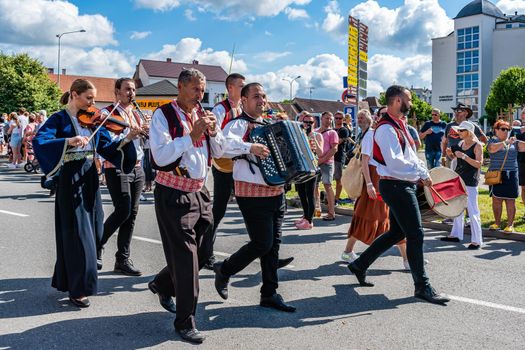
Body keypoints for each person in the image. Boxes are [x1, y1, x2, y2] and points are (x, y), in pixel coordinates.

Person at [32, 79, 138, 308]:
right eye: (89, 98)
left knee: (95, 227)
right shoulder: (59, 119)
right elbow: (39, 142)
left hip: (89, 177)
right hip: (70, 179)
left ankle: (72, 277)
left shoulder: (92, 122)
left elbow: (108, 149)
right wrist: (68, 141)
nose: (93, 104)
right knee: (78, 234)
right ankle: (78, 289)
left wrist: (128, 138)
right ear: (74, 95)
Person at [347, 85, 450, 305]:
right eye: (408, 99)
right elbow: (394, 164)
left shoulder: (398, 126)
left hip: (403, 184)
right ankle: (422, 286)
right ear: (396, 101)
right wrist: (421, 173)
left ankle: (360, 264)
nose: (411, 103)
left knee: (396, 232)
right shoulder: (385, 129)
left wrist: (422, 171)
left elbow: (411, 156)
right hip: (396, 185)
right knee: (416, 234)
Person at [148, 69, 223, 344]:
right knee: (185, 259)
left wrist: (213, 133)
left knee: (203, 253)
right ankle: (185, 321)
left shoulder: (201, 115)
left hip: (200, 192)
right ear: (180, 87)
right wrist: (191, 135)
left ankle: (162, 283)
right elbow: (160, 155)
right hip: (174, 193)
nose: (200, 96)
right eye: (195, 90)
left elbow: (221, 151)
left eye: (202, 91)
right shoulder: (163, 115)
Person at [213, 82, 297, 314]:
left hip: (276, 191)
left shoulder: (269, 125)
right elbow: (222, 148)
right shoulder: (237, 124)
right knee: (262, 243)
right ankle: (225, 269)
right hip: (251, 192)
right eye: (256, 96)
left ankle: (269, 293)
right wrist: (250, 147)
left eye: (263, 96)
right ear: (244, 101)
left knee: (273, 246)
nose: (261, 100)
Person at [341, 109, 410, 269]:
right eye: (382, 114)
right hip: (373, 179)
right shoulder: (371, 134)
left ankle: (407, 259)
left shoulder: (392, 133)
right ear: (377, 117)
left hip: (387, 179)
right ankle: (348, 251)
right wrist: (370, 184)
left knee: (390, 219)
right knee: (367, 216)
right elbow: (365, 161)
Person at [97, 78, 147, 275]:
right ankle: (97, 244)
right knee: (123, 210)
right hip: (116, 166)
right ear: (117, 91)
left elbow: (142, 144)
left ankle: (122, 259)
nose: (131, 93)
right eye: (127, 89)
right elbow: (107, 145)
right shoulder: (107, 113)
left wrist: (145, 132)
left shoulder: (135, 113)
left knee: (131, 214)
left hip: (137, 167)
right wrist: (129, 136)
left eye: (134, 90)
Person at [206, 73, 245, 269]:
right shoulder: (221, 109)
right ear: (230, 87)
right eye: (240, 86)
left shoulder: (242, 108)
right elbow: (215, 136)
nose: (243, 89)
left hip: (241, 164)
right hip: (224, 164)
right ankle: (206, 252)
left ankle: (266, 251)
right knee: (218, 210)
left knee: (250, 208)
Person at [440, 121, 483, 248]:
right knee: (458, 207)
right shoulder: (460, 143)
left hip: (470, 181)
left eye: (461, 130)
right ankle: (456, 234)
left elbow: (479, 164)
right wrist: (451, 155)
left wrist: (463, 156)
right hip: (459, 178)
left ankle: (477, 240)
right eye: (458, 130)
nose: (458, 132)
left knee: (473, 210)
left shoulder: (477, 145)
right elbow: (457, 160)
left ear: (469, 132)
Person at [486, 120, 519, 233]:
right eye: (503, 129)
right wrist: (506, 142)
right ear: (496, 130)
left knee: (510, 201)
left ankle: (510, 225)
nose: (506, 131)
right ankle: (497, 223)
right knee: (496, 200)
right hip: (496, 174)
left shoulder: (514, 142)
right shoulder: (492, 140)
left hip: (511, 173)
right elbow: (492, 149)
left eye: (508, 129)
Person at [295, 113, 323, 230]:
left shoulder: (317, 135)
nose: (308, 124)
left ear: (314, 123)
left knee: (309, 193)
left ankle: (310, 221)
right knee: (301, 192)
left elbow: (321, 153)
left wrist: (313, 139)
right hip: (301, 166)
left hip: (312, 166)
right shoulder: (299, 134)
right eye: (306, 122)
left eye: (310, 123)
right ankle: (305, 216)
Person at [442, 103, 487, 169]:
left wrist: (477, 151)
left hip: (466, 161)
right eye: (455, 111)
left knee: (464, 178)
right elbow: (445, 142)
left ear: (466, 113)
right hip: (450, 158)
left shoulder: (472, 126)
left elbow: (484, 140)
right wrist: (443, 156)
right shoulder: (449, 126)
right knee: (450, 179)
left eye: (459, 111)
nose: (456, 113)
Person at [316, 111, 339, 220]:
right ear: (322, 118)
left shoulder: (332, 133)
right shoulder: (315, 132)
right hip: (316, 163)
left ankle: (331, 212)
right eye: (327, 118)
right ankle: (316, 210)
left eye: (330, 119)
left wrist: (323, 159)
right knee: (314, 187)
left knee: (328, 186)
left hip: (327, 163)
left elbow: (334, 149)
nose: (329, 121)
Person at [333, 111, 351, 204]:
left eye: (340, 118)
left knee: (338, 179)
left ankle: (336, 198)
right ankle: (332, 197)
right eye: (336, 118)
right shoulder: (332, 129)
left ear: (343, 119)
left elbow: (336, 143)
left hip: (339, 157)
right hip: (330, 157)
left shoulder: (344, 130)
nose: (338, 120)